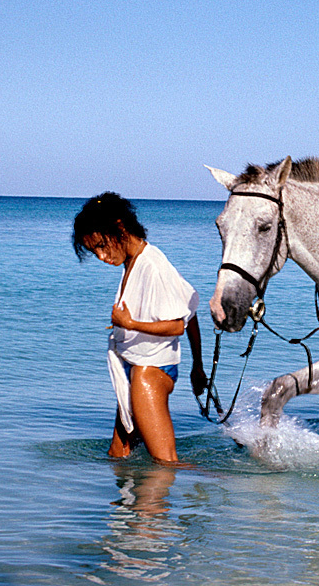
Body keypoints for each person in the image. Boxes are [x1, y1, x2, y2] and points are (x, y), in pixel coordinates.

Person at [73, 192, 206, 464]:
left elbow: (178, 325)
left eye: (101, 245)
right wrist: (198, 367)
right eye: (93, 250)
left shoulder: (153, 264)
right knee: (118, 456)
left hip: (149, 373)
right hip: (135, 369)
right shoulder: (132, 262)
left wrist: (131, 324)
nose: (100, 256)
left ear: (120, 228)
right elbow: (190, 313)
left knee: (165, 463)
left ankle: (221, 490)